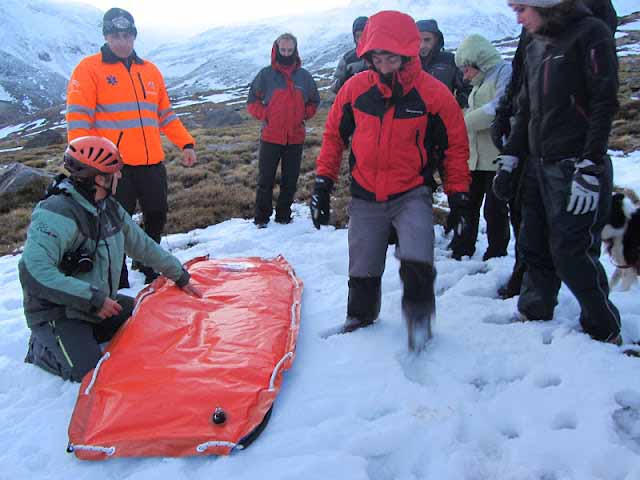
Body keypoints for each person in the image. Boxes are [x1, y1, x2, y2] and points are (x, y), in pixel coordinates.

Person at [310, 10, 471, 352]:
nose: (383, 65)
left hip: (412, 190)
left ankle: (419, 320)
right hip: (366, 193)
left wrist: (459, 196)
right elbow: (333, 137)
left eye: (392, 57)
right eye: (377, 56)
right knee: (363, 262)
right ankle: (361, 318)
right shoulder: (355, 89)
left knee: (417, 255)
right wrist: (322, 183)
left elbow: (455, 146)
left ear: (409, 53)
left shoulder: (434, 94)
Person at [19, 136, 202, 382]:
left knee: (148, 318)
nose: (120, 177)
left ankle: (88, 331)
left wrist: (179, 274)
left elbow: (143, 246)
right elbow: (34, 271)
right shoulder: (56, 213)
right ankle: (42, 348)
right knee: (89, 373)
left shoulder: (109, 208)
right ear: (99, 178)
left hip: (96, 304)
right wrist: (92, 298)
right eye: (115, 172)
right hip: (59, 312)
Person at [498, 0, 621, 344]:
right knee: (532, 243)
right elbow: (526, 108)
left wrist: (591, 163)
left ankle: (603, 327)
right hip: (538, 164)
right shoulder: (538, 44)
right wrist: (511, 157)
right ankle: (534, 310)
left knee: (571, 251)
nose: (518, 18)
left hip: (574, 165)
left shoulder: (590, 33)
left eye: (522, 8)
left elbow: (604, 101)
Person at [66, 7, 197, 287]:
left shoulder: (149, 71)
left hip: (151, 162)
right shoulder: (89, 69)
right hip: (113, 166)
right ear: (106, 36)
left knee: (156, 214)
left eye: (127, 35)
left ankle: (148, 262)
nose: (122, 42)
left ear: (134, 36)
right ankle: (117, 274)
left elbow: (165, 114)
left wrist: (185, 142)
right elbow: (78, 118)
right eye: (115, 36)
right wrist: (86, 164)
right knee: (112, 224)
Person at [247, 33, 320, 227]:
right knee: (265, 180)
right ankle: (261, 219)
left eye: (290, 50)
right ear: (276, 49)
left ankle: (283, 216)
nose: (286, 53)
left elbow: (314, 100)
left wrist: (303, 114)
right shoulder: (266, 75)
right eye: (283, 50)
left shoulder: (304, 77)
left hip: (295, 138)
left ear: (295, 50)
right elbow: (252, 100)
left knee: (290, 181)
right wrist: (267, 115)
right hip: (271, 136)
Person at [453, 34, 512, 260]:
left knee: (495, 209)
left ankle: (496, 253)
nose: (465, 75)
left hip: (497, 156)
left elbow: (497, 109)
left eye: (467, 69)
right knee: (467, 204)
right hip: (475, 158)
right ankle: (462, 248)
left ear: (480, 62)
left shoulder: (504, 72)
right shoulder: (480, 84)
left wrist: (463, 122)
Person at [416, 19, 471, 109]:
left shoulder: (450, 60)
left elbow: (468, 88)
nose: (422, 45)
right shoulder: (406, 62)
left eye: (427, 40)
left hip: (443, 117)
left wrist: (455, 105)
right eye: (418, 40)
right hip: (413, 118)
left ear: (436, 39)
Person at [331, 16, 369, 94]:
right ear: (354, 38)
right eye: (358, 36)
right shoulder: (348, 59)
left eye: (365, 35)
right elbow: (334, 87)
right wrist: (344, 79)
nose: (361, 39)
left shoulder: (380, 56)